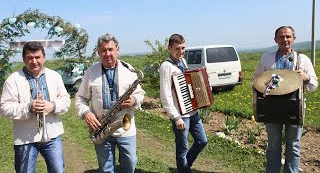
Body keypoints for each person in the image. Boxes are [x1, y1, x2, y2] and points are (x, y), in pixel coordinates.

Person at [75, 33, 145, 173]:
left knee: (130, 163)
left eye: (111, 49)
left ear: (117, 50)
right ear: (98, 52)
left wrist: (134, 100)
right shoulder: (91, 72)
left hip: (126, 127)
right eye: (103, 50)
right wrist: (86, 113)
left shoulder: (129, 70)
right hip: (101, 127)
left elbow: (140, 94)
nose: (107, 54)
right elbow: (80, 98)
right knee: (106, 168)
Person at [253, 26, 318, 173]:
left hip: (295, 109)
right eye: (281, 37)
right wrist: (264, 83)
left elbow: (314, 85)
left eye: (288, 36)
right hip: (270, 109)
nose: (285, 40)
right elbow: (256, 80)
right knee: (273, 145)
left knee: (293, 145)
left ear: (294, 39)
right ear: (275, 40)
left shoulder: (303, 59)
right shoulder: (266, 58)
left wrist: (306, 78)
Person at [0, 41, 71, 173]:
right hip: (25, 138)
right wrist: (28, 108)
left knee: (58, 170)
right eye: (29, 58)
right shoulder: (13, 79)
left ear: (44, 57)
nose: (34, 61)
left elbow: (66, 100)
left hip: (52, 137)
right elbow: (4, 107)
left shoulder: (55, 76)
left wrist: (53, 106)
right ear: (23, 59)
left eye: (37, 57)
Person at [159, 34, 208, 173]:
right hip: (180, 115)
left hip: (192, 111)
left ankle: (184, 167)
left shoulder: (183, 62)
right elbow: (165, 95)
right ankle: (184, 169)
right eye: (177, 48)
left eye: (183, 48)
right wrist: (176, 117)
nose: (181, 51)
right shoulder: (166, 66)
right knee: (182, 148)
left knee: (202, 141)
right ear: (169, 48)